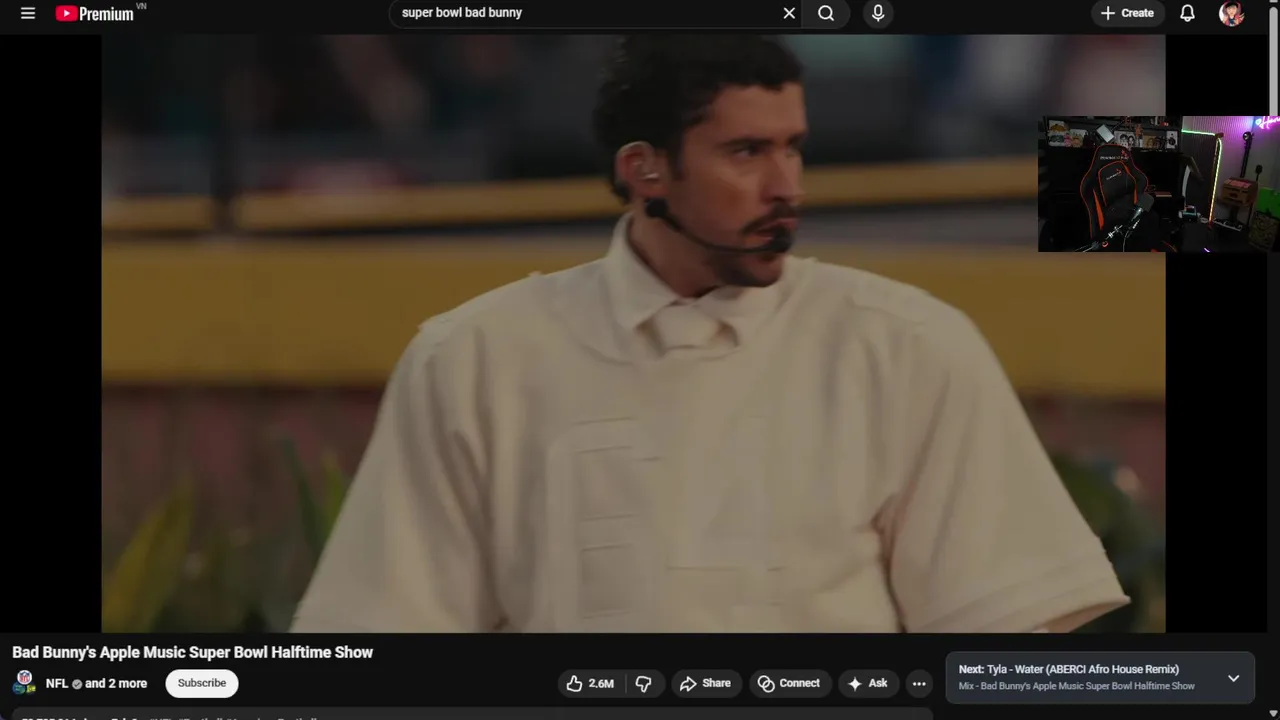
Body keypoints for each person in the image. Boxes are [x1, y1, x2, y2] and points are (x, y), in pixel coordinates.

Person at [293, 35, 1130, 633]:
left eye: (794, 150)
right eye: (747, 152)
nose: (787, 187)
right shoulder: (474, 358)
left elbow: (1004, 633)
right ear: (645, 170)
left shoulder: (908, 345)